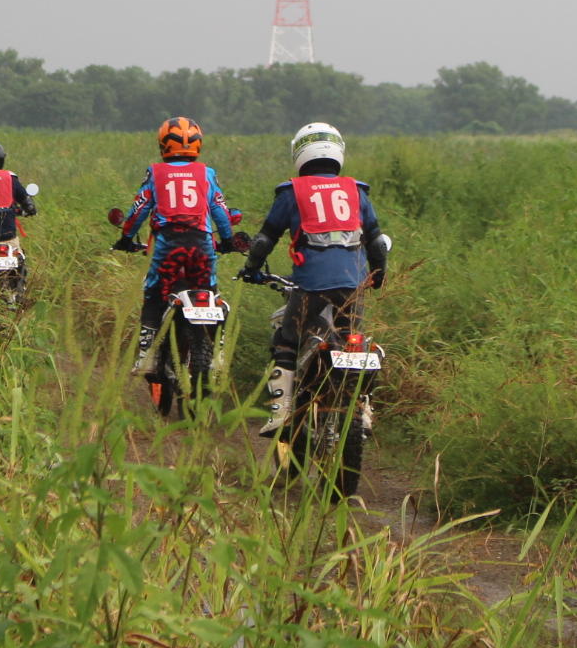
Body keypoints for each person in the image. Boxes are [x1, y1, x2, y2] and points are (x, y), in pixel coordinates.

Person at [238, 122, 390, 436]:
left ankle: (280, 413)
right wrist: (378, 275)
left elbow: (264, 241)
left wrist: (251, 269)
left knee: (287, 341)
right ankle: (361, 411)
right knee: (354, 345)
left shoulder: (292, 192)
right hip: (352, 287)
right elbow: (376, 243)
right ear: (338, 151)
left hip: (310, 287)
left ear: (300, 152)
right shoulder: (356, 191)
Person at [114, 117, 239, 375]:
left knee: (154, 294)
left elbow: (139, 210)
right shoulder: (206, 173)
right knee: (212, 294)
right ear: (198, 144)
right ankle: (218, 353)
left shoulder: (156, 172)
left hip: (168, 245)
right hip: (201, 245)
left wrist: (126, 238)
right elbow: (220, 210)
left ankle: (147, 356)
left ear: (163, 143)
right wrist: (227, 240)